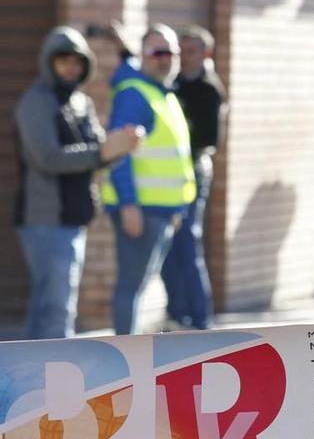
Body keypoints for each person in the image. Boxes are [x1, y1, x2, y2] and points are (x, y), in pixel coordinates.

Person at [14, 27, 141, 339]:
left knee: (49, 303)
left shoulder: (81, 101)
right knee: (57, 308)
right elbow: (48, 158)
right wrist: (102, 151)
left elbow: (98, 152)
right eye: (62, 61)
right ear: (49, 62)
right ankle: (56, 381)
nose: (70, 67)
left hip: (73, 218)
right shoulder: (36, 102)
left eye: (76, 61)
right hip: (44, 219)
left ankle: (27, 379)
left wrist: (118, 147)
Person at [103, 25, 198, 336]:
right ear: (143, 56)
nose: (165, 59)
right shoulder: (135, 94)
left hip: (163, 211)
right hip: (141, 211)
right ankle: (124, 358)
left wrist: (178, 210)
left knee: (141, 286)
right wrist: (129, 205)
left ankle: (130, 355)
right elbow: (119, 153)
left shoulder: (162, 93)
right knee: (132, 287)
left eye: (170, 52)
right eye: (157, 52)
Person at [164, 24, 226, 329]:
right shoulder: (173, 82)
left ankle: (201, 320)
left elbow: (210, 138)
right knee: (168, 246)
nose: (185, 58)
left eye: (191, 52)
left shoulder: (209, 89)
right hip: (168, 174)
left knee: (188, 241)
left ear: (205, 53)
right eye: (181, 51)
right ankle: (177, 313)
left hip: (193, 172)